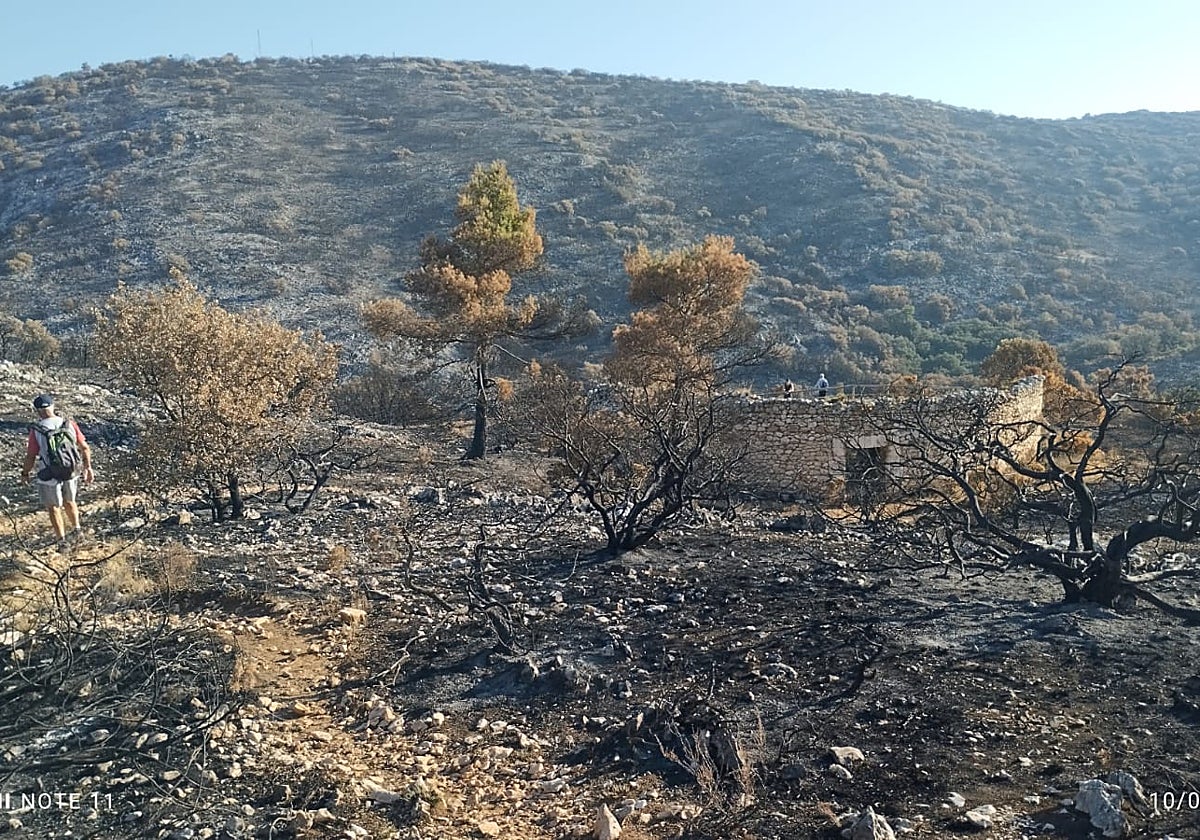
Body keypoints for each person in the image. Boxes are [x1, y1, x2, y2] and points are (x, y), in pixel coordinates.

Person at [21, 394, 94, 544]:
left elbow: (31, 456)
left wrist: (25, 473)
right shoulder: (69, 424)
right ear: (53, 406)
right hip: (71, 470)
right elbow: (84, 447)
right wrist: (88, 467)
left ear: (37, 411)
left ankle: (62, 541)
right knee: (70, 501)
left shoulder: (37, 430)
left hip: (49, 474)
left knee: (53, 507)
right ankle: (77, 530)